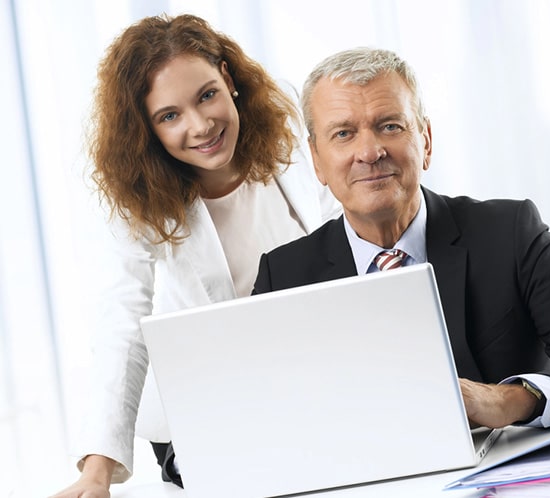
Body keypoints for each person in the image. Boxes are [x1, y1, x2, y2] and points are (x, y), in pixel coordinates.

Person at [253, 47, 550, 431]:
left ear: (426, 142)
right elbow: (257, 418)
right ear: (317, 162)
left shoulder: (510, 233)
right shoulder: (284, 275)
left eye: (390, 125)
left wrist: (512, 399)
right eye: (343, 134)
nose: (370, 150)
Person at [50, 14, 339, 498]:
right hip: (209, 401)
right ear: (147, 129)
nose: (201, 126)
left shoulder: (285, 111)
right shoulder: (140, 196)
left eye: (207, 94)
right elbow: (123, 320)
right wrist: (97, 469)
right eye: (169, 115)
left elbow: (344, 221)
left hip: (312, 370)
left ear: (227, 78)